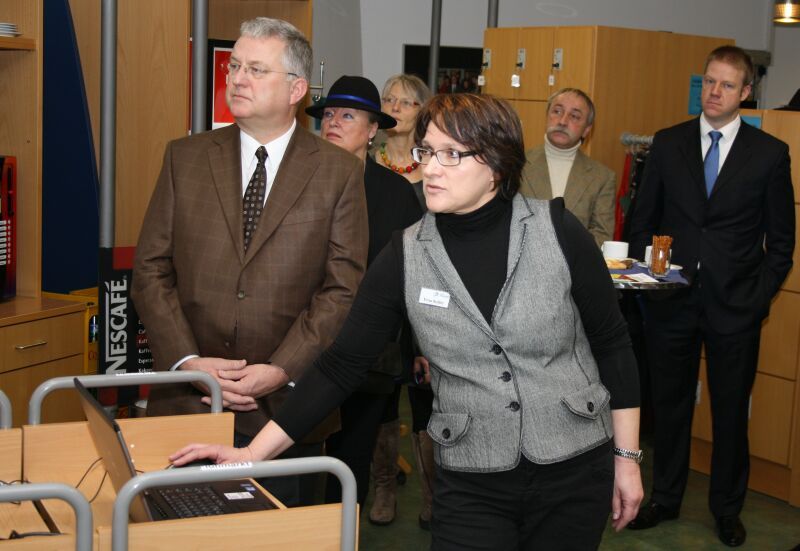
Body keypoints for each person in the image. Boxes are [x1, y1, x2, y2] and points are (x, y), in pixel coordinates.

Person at [171, 93, 644, 549]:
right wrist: (252, 454)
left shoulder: (557, 231)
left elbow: (613, 345)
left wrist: (627, 460)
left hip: (574, 467)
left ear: (497, 164)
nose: (430, 168)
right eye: (426, 151)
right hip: (472, 476)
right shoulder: (405, 253)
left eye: (451, 155)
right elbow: (341, 365)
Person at [131, 17, 369, 507]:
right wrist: (188, 363)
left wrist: (280, 370)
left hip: (288, 411)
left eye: (256, 69)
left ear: (296, 89)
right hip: (186, 403)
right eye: (234, 66)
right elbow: (151, 270)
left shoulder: (337, 172)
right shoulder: (185, 158)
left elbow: (342, 288)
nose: (236, 78)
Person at [627, 46, 795, 547]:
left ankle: (727, 509)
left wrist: (757, 297)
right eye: (709, 82)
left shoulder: (769, 153)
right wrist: (650, 284)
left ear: (746, 93)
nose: (715, 92)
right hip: (670, 302)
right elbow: (642, 222)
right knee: (671, 407)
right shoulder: (668, 142)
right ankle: (665, 498)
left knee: (728, 411)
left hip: (735, 308)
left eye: (727, 85)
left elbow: (781, 243)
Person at [304, 75, 422, 508]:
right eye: (328, 114)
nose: (333, 122)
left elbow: (411, 276)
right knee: (298, 458)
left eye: (347, 115)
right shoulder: (296, 181)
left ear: (373, 129)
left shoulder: (396, 194)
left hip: (367, 351)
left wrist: (414, 346)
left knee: (350, 459)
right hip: (300, 346)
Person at [371, 73, 436, 528]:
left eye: (407, 102)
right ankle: (383, 488)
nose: (395, 107)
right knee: (382, 397)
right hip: (379, 290)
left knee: (428, 395)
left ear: (422, 112)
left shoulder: (434, 165)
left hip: (427, 293)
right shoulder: (364, 159)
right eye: (388, 99)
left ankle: (435, 494)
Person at [520, 88, 616, 247]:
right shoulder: (516, 164)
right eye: (557, 111)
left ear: (586, 129)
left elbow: (602, 237)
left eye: (574, 116)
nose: (562, 121)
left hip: (574, 268)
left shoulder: (602, 177)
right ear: (547, 116)